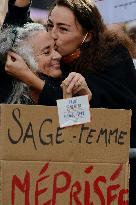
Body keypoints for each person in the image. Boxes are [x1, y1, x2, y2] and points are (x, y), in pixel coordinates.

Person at [3, 0, 136, 202]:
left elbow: (77, 112)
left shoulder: (113, 57)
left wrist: (30, 78)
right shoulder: (57, 63)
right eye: (50, 25)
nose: (53, 35)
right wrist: (19, 7)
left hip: (112, 179)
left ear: (87, 36)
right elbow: (13, 42)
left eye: (63, 29)